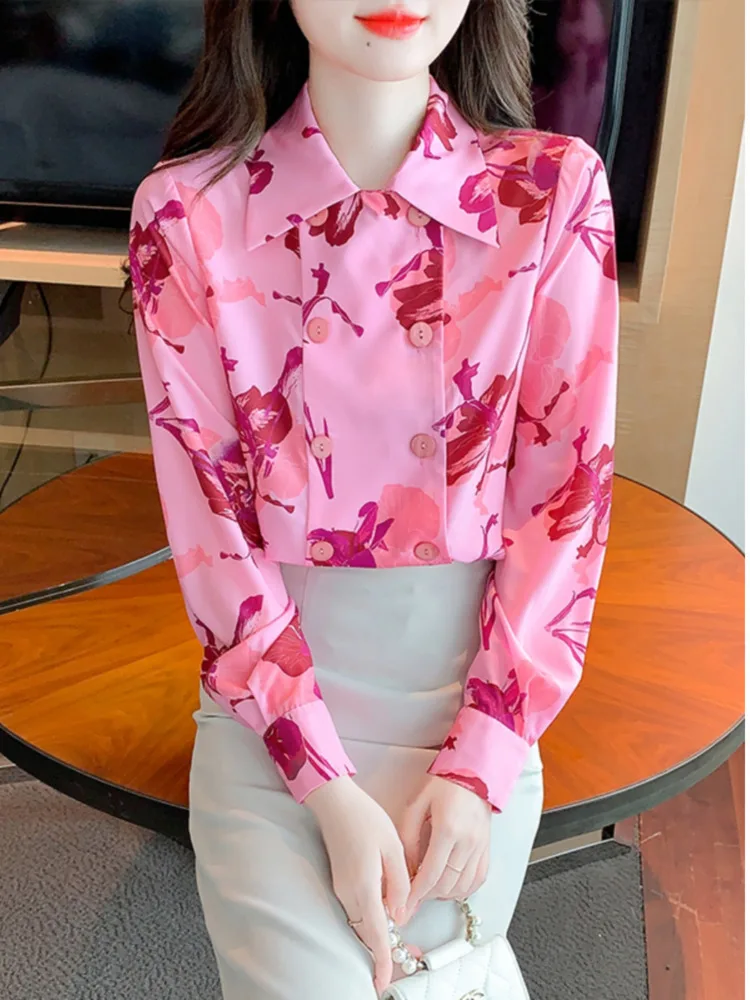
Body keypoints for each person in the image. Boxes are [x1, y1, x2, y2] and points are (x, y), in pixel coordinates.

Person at [127, 1, 619, 996]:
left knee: (439, 977)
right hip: (273, 728)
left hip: (475, 715)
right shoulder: (187, 214)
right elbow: (213, 533)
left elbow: (564, 506)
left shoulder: (551, 192)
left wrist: (478, 765)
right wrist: (327, 790)